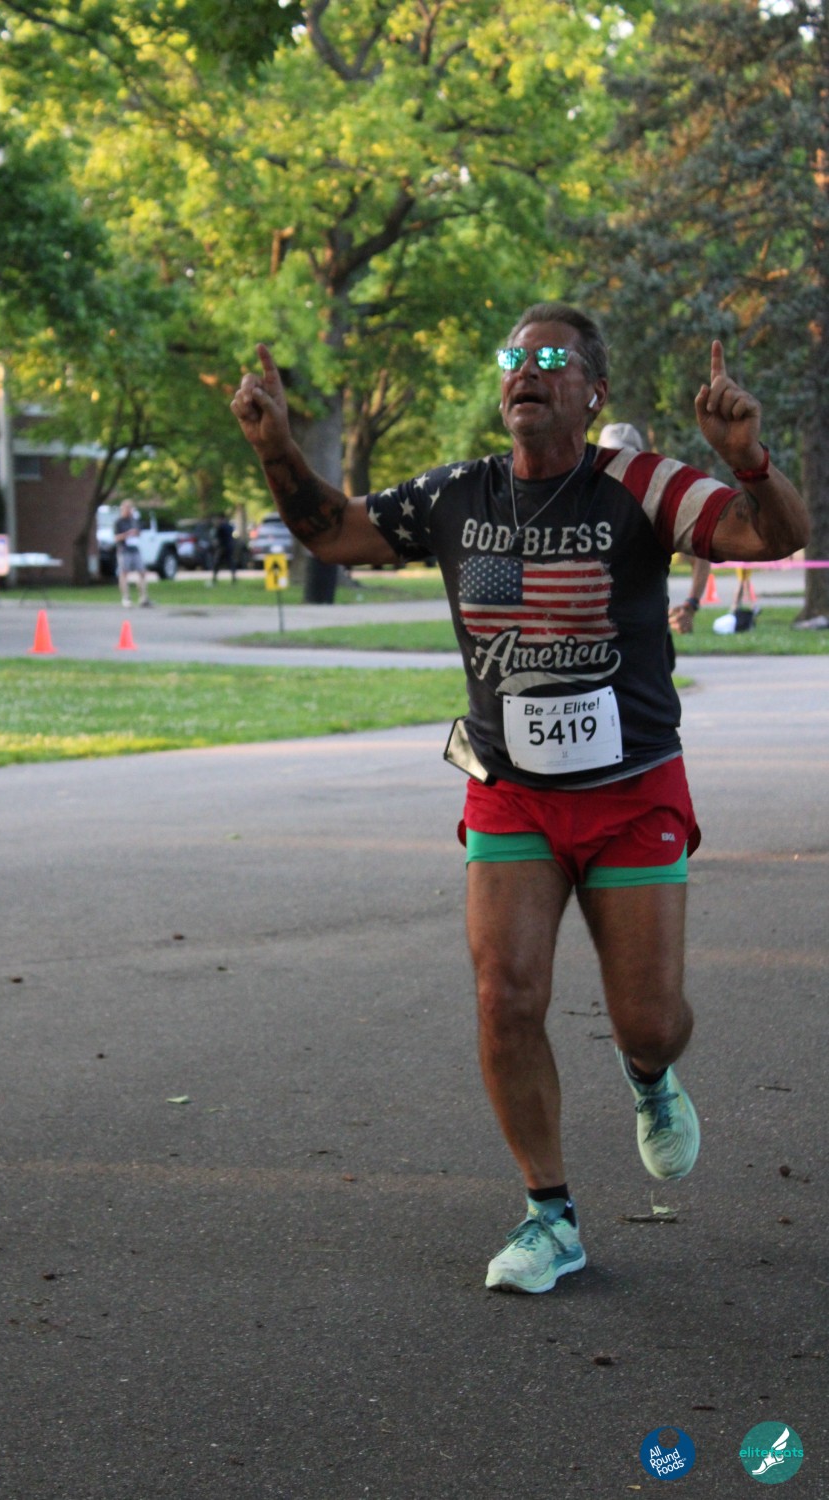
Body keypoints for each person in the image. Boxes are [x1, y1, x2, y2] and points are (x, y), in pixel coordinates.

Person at [231, 301, 810, 1293]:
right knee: (505, 995)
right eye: (514, 354)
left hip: (631, 790)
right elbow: (336, 533)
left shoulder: (639, 484)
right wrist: (277, 448)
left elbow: (773, 536)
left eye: (551, 357)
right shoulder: (458, 496)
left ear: (593, 392)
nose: (526, 370)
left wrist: (746, 459)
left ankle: (648, 1074)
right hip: (510, 793)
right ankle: (551, 1217)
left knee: (648, 1020)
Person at [598, 422, 715, 641]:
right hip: (594, 643)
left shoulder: (656, 506)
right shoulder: (585, 503)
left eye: (625, 457)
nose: (617, 465)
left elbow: (700, 556)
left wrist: (691, 604)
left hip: (648, 641)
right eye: (610, 456)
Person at [114, 499, 150, 607]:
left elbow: (139, 532)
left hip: (135, 549)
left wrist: (136, 533)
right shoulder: (119, 522)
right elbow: (116, 538)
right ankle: (126, 598)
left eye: (130, 508)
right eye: (127, 508)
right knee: (124, 573)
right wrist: (126, 534)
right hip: (124, 550)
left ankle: (143, 598)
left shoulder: (134, 521)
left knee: (142, 572)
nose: (129, 511)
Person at [211, 515, 238, 584]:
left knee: (217, 563)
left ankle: (214, 579)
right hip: (230, 547)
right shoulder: (230, 527)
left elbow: (218, 539)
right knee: (230, 562)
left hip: (222, 547)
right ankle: (234, 578)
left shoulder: (220, 527)